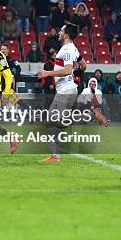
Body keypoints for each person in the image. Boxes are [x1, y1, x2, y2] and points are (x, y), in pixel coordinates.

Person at [37, 22, 81, 162]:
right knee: (50, 122)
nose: (59, 33)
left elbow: (68, 70)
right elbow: (84, 65)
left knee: (50, 120)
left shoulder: (67, 49)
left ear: (66, 34)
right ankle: (55, 155)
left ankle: (74, 119)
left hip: (66, 91)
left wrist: (47, 73)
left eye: (61, 31)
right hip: (66, 90)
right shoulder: (73, 48)